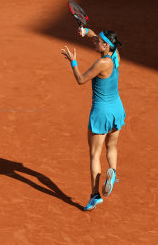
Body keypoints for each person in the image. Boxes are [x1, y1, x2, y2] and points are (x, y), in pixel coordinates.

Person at [61, 27, 126, 211]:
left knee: (94, 155)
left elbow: (81, 79)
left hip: (101, 113)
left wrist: (73, 62)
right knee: (111, 147)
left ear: (106, 45)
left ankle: (94, 195)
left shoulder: (102, 64)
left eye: (98, 42)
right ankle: (112, 171)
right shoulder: (115, 56)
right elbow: (97, 38)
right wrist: (87, 31)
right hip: (117, 110)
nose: (95, 42)